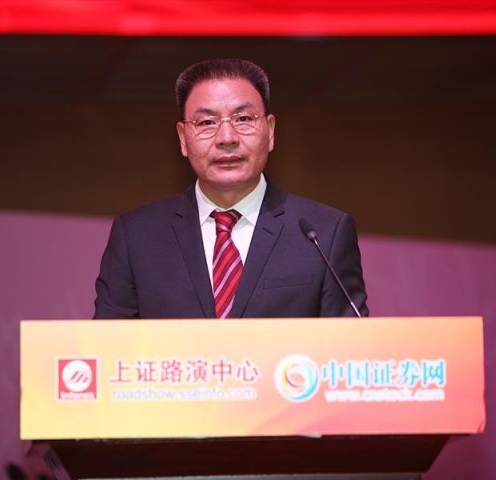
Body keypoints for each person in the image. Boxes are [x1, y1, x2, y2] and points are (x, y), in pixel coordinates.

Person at [94, 58, 368, 319]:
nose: (227, 138)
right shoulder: (137, 236)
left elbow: (351, 345)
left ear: (270, 131)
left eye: (243, 119)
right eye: (207, 123)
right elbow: (106, 344)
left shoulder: (324, 234)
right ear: (183, 139)